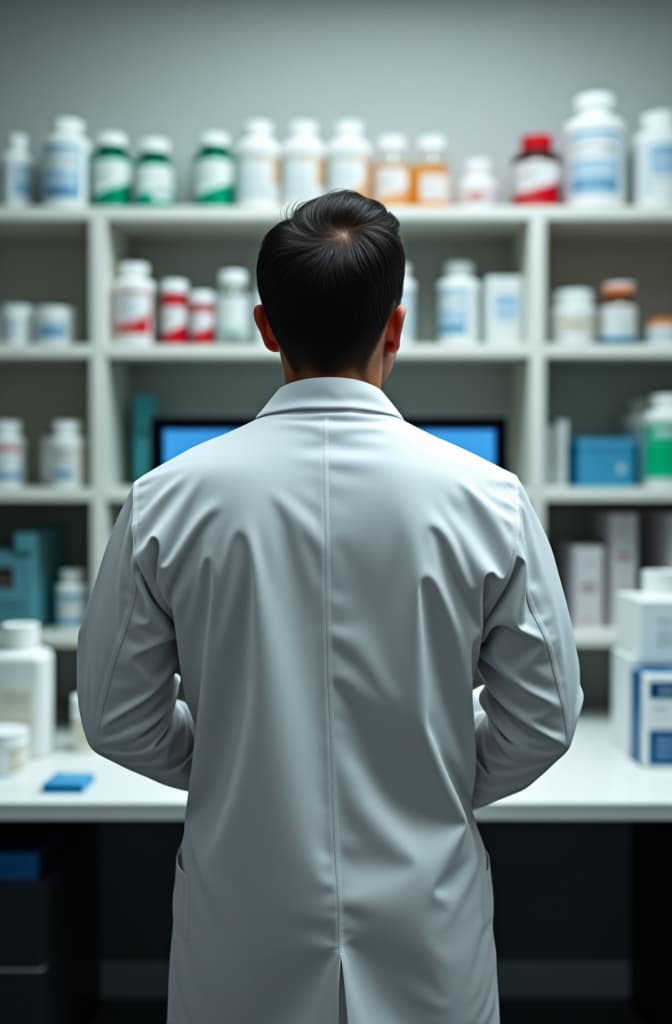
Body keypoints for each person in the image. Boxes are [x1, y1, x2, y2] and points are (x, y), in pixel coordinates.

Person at [77, 189, 583, 1024]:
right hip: (427, 927)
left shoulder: (165, 500)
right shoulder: (486, 498)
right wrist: (433, 776)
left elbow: (116, 719)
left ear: (266, 327)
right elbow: (545, 720)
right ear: (396, 327)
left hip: (242, 930)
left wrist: (244, 769)